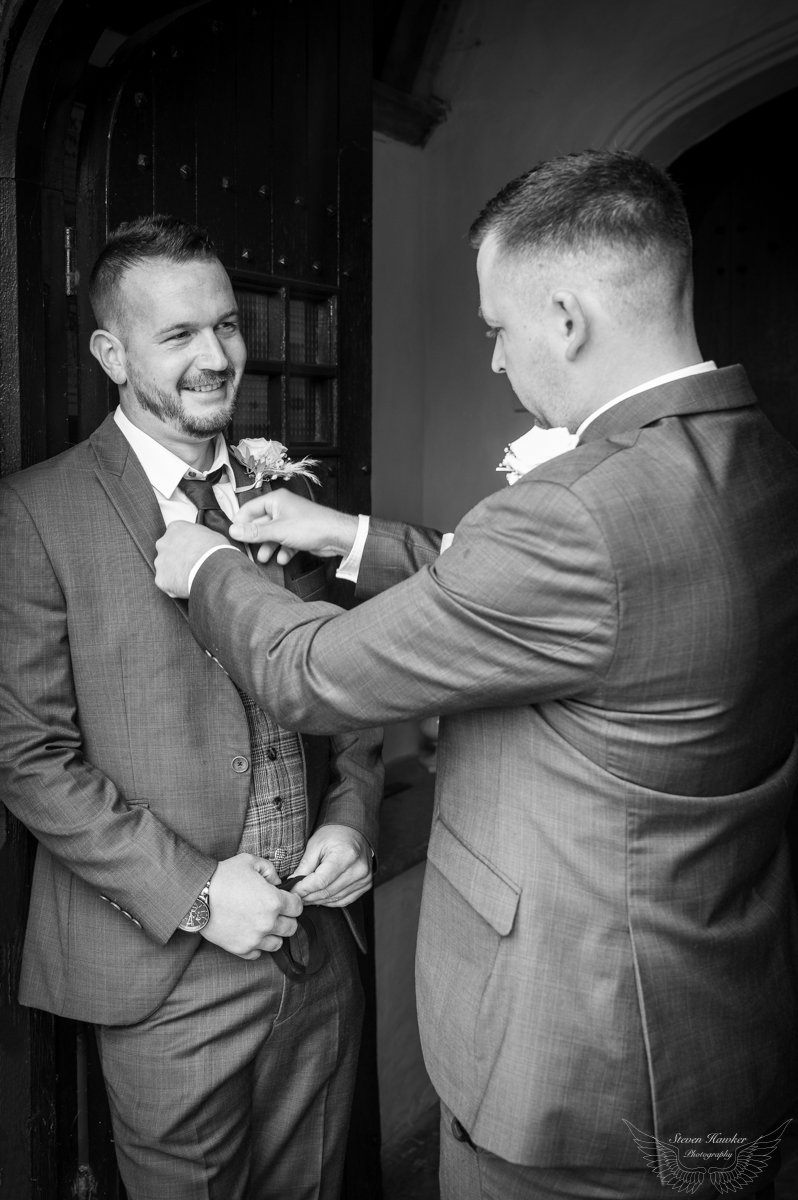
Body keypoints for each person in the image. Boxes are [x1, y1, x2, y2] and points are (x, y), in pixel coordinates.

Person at [155, 150, 798, 1200]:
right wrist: (352, 535)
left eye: (498, 329)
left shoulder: (580, 512)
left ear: (567, 316)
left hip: (579, 1071)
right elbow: (582, 603)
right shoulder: (755, 457)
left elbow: (309, 672)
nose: (495, 362)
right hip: (716, 1027)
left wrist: (208, 565)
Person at [0, 214, 382, 1200]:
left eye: (227, 326)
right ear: (111, 351)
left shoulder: (287, 491)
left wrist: (352, 815)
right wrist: (205, 897)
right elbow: (29, 757)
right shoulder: (37, 512)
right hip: (165, 966)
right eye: (179, 336)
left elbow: (350, 680)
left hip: (320, 945)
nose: (217, 356)